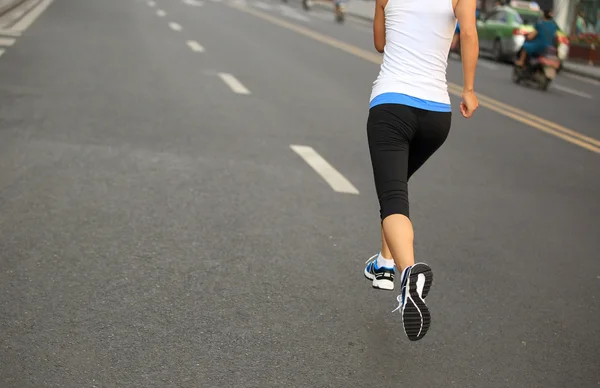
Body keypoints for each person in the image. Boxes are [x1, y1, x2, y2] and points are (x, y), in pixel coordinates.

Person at [364, 0, 479, 341]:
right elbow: (469, 33)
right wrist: (469, 89)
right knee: (396, 188)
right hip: (436, 116)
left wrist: (381, 8)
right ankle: (383, 263)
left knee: (393, 196)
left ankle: (407, 275)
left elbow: (380, 43)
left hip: (391, 106)